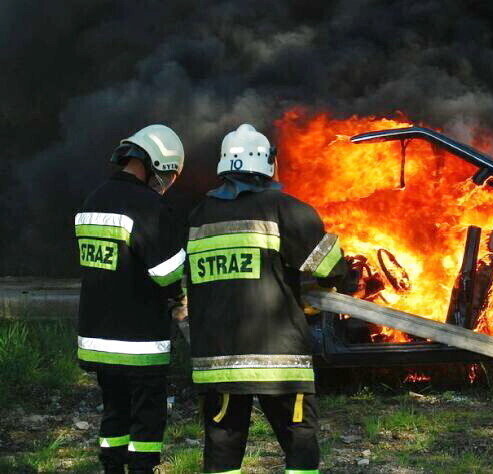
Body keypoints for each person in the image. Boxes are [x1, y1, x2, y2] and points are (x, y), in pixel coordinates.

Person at [184, 124, 355, 474]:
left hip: (217, 360)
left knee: (222, 443)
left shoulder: (198, 216)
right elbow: (329, 267)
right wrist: (343, 277)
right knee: (299, 440)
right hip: (279, 360)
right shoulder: (284, 209)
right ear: (268, 163)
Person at [75, 124, 187, 474]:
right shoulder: (147, 205)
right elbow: (167, 272)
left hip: (96, 336)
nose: (165, 182)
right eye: (166, 173)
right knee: (147, 416)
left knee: (114, 409)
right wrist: (180, 298)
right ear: (153, 162)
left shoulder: (93, 199)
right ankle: (141, 469)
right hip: (138, 340)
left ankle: (112, 468)